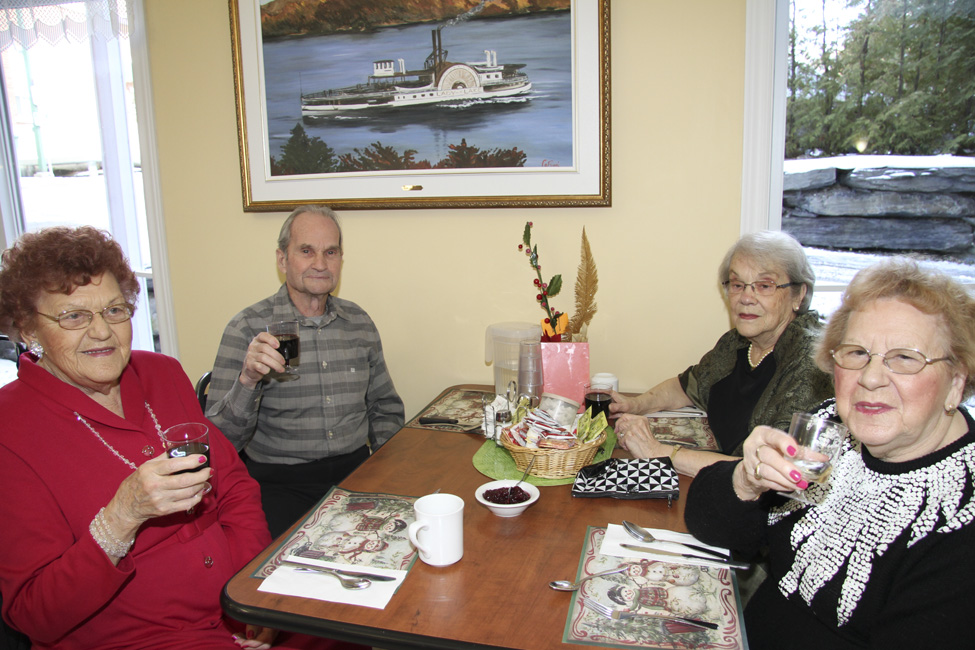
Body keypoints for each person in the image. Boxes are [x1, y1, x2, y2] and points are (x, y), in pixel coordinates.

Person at [0, 227, 355, 649]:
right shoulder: (11, 430)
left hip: (235, 603)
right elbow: (35, 615)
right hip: (137, 637)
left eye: (115, 310)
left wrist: (251, 594)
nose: (101, 332)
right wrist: (120, 518)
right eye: (74, 316)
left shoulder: (161, 373)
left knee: (347, 621)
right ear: (28, 329)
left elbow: (237, 489)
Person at [685, 258, 975, 649]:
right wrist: (745, 480)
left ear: (956, 382)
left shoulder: (959, 519)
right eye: (856, 353)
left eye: (905, 358)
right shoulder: (828, 429)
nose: (871, 378)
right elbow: (711, 527)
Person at [207, 206, 404, 537]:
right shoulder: (246, 329)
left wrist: (381, 470)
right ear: (283, 260)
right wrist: (248, 380)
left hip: (355, 476)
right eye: (306, 251)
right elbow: (219, 441)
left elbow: (385, 406)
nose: (320, 264)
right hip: (279, 486)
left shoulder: (359, 323)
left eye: (331, 252)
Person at [612, 231, 833, 476]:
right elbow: (687, 386)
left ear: (798, 295)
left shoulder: (813, 363)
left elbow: (768, 469)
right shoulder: (737, 342)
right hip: (714, 480)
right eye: (737, 285)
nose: (746, 298)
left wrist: (657, 452)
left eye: (764, 285)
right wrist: (635, 404)